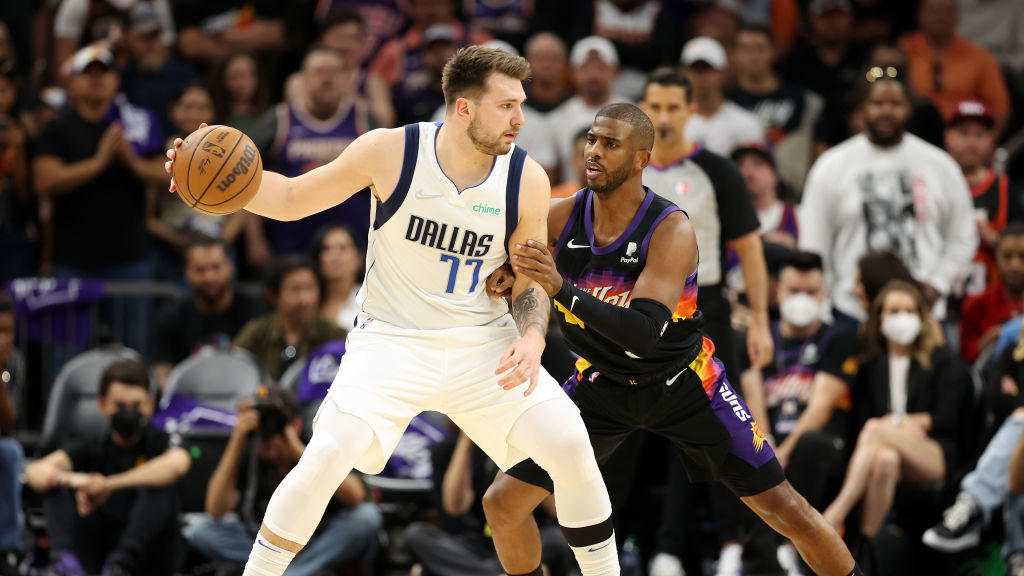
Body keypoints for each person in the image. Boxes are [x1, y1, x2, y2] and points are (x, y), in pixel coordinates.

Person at [166, 45, 619, 576]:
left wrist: (534, 336)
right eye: (506, 106)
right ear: (464, 109)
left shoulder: (527, 178)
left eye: (521, 104)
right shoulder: (392, 151)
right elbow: (289, 198)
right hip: (392, 341)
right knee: (328, 453)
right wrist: (212, 176)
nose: (520, 118)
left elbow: (530, 279)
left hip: (484, 345)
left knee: (570, 443)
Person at [482, 103, 861, 576]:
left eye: (611, 143)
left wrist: (562, 289)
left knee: (788, 511)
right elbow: (510, 267)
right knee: (501, 503)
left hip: (684, 384)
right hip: (601, 385)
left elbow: (643, 335)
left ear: (641, 159)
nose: (594, 152)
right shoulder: (561, 217)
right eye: (593, 140)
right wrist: (504, 275)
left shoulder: (671, 228)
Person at [798, 71, 978, 326]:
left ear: (909, 109)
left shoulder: (940, 166)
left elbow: (963, 237)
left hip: (924, 312)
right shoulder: (831, 166)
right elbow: (814, 244)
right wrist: (824, 308)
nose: (886, 111)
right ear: (863, 109)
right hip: (852, 313)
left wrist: (937, 285)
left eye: (895, 104)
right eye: (878, 103)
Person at [821, 281, 973, 538]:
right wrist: (899, 429)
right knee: (885, 460)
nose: (902, 318)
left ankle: (834, 515)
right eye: (894, 311)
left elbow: (947, 418)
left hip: (933, 450)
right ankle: (870, 550)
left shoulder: (941, 359)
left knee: (876, 428)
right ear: (879, 318)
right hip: (882, 450)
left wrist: (900, 423)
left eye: (909, 311)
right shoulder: (870, 367)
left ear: (922, 317)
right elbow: (858, 423)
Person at [184, 385, 382, 575]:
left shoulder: (316, 441)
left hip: (318, 539)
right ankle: (293, 571)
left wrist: (300, 452)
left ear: (295, 424)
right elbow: (215, 510)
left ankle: (287, 572)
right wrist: (237, 439)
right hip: (268, 540)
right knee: (200, 529)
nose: (270, 433)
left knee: (367, 517)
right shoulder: (252, 448)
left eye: (277, 423)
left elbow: (357, 496)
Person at [24, 360, 192, 576]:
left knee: (158, 484)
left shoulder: (160, 440)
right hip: (99, 548)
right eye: (120, 406)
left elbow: (177, 465)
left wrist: (108, 485)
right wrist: (77, 481)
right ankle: (64, 563)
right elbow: (34, 472)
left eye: (136, 405)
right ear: (103, 405)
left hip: (149, 553)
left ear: (150, 405)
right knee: (54, 483)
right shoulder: (93, 444)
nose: (128, 413)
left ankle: (121, 564)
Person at [247, 45, 374, 268]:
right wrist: (255, 239)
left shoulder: (366, 120)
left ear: (347, 78)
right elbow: (248, 180)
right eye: (318, 72)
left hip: (355, 246)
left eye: (334, 72)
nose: (327, 79)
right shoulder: (278, 120)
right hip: (292, 245)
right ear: (302, 79)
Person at [404, 430, 572, 576]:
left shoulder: (532, 445)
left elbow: (555, 509)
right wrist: (466, 440)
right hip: (475, 542)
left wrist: (523, 444)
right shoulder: (447, 449)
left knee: (558, 540)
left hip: (526, 539)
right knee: (416, 534)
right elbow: (455, 508)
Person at [147, 83, 246, 283]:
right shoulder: (158, 154)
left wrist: (221, 240)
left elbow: (243, 204)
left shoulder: (229, 150)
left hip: (219, 246)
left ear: (213, 111)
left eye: (202, 107)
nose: (194, 113)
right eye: (188, 106)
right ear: (173, 110)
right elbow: (149, 217)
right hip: (175, 249)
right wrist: (176, 239)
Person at [149, 234, 265, 388]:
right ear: (187, 273)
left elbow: (267, 369)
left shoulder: (257, 312)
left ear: (230, 267)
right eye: (200, 269)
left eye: (216, 267)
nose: (209, 277)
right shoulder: (169, 318)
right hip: (190, 400)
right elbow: (163, 376)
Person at [727, 24, 824, 192]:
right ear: (734, 55)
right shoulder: (725, 102)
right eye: (745, 49)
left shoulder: (802, 100)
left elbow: (818, 149)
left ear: (773, 52)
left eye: (760, 48)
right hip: (739, 190)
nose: (753, 56)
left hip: (790, 190)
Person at [945, 100, 1024, 296]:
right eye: (963, 133)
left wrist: (996, 240)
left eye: (979, 135)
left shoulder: (1004, 188)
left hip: (992, 304)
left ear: (991, 140)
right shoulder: (934, 186)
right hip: (942, 296)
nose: (971, 142)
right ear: (948, 137)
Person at [899, 0, 1011, 134]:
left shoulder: (980, 57)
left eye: (945, 11)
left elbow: (1000, 109)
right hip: (913, 134)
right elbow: (876, 84)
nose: (939, 16)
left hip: (964, 136)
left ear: (957, 16)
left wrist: (982, 145)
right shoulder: (901, 51)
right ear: (919, 16)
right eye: (932, 10)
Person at [233, 255, 347, 380]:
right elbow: (234, 369)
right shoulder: (257, 331)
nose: (304, 299)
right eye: (294, 289)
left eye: (310, 288)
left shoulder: (335, 335)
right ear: (273, 295)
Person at [549, 36, 628, 184]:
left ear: (615, 72)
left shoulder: (634, 115)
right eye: (586, 68)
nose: (594, 75)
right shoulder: (558, 119)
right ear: (573, 73)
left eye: (601, 68)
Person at [679, 36, 765, 158]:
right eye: (694, 69)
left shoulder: (746, 123)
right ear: (684, 73)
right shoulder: (670, 123)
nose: (700, 76)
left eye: (707, 68)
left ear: (722, 73)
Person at [959, 224, 1024, 363]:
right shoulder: (975, 304)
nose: (1015, 265)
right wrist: (989, 340)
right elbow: (966, 357)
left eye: (1022, 257)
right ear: (996, 257)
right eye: (1007, 257)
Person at [0, 294, 21, 574]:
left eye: (8, 331)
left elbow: (7, 426)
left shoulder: (14, 362)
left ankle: (6, 549)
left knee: (9, 450)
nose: (3, 338)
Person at [310, 223, 363, 329]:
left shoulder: (372, 302)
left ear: (358, 258)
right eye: (326, 249)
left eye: (343, 248)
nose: (334, 257)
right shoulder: (308, 301)